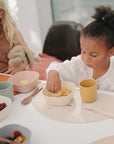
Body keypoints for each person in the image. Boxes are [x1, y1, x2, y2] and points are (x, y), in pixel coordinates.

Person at [46, 5, 114, 92]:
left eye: (93, 55)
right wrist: (53, 75)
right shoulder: (78, 64)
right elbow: (55, 67)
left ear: (111, 52)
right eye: (83, 51)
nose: (86, 59)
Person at [0, 0, 36, 75]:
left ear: (1, 13)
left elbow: (29, 55)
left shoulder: (12, 32)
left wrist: (21, 65)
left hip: (13, 78)